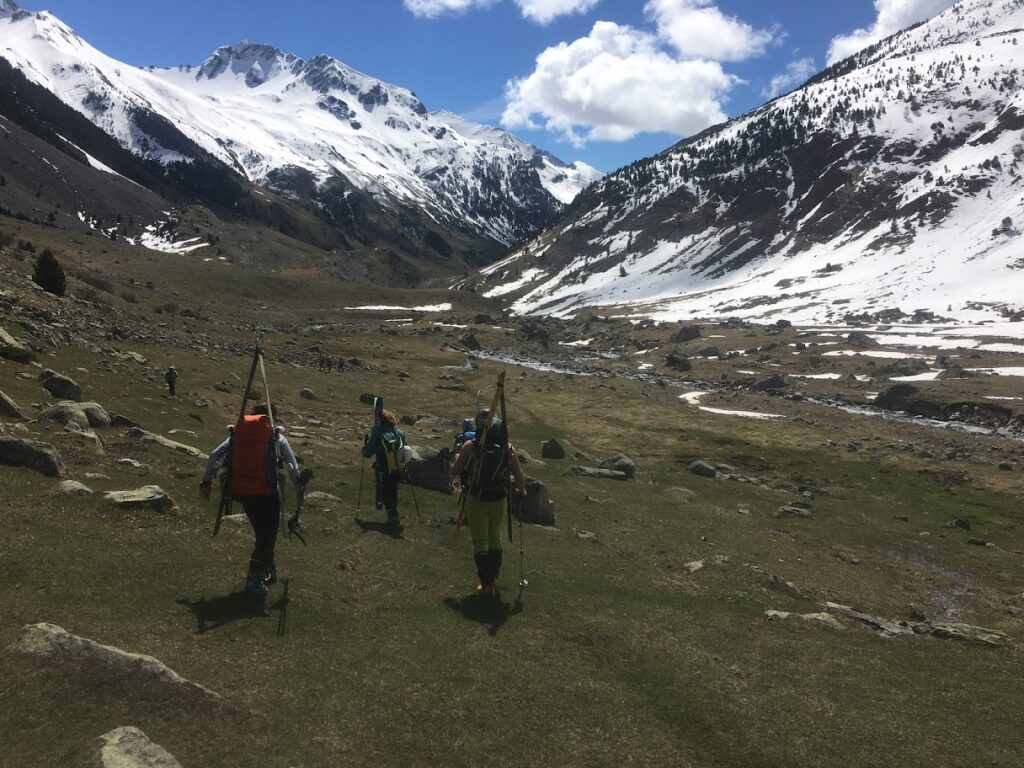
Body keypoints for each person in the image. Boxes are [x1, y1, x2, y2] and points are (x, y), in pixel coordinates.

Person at [199, 403, 303, 597]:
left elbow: (214, 456)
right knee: (266, 537)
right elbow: (293, 467)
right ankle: (253, 579)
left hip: (243, 492)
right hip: (269, 494)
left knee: (263, 534)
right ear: (271, 418)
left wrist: (206, 483)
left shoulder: (238, 435)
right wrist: (299, 495)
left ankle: (268, 568)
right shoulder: (276, 437)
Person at [446, 411, 526, 596]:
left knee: (480, 540)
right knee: (494, 536)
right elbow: (520, 479)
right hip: (499, 500)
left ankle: (486, 581)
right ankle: (493, 575)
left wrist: (455, 461)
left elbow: (453, 472)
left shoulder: (470, 447)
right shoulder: (508, 449)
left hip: (476, 499)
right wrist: (521, 491)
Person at [362, 408, 406, 526]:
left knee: (386, 491)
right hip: (399, 467)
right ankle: (394, 514)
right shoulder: (400, 433)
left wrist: (364, 450)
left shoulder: (379, 434)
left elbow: (367, 453)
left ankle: (392, 517)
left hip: (383, 468)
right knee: (392, 490)